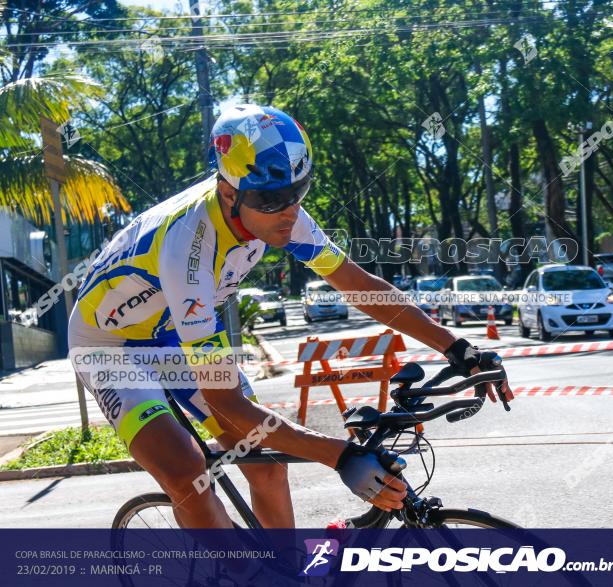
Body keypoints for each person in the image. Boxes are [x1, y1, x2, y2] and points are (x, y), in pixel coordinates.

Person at [68, 104, 513, 531]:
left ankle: (281, 571)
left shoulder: (279, 214)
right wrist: (339, 455)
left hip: (172, 332)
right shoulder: (190, 248)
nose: (289, 210)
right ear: (228, 192)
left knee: (266, 465)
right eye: (272, 199)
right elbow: (227, 404)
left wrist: (458, 347)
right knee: (187, 473)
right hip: (110, 347)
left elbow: (358, 286)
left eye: (298, 192)